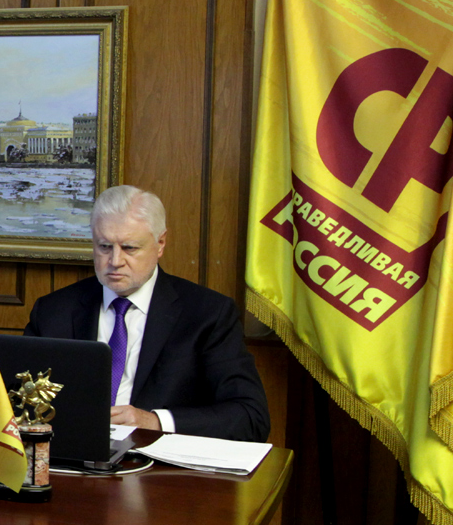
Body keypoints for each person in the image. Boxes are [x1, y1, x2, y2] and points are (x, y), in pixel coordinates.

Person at [23, 185, 269, 442]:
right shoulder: (53, 311)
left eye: (129, 248)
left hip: (157, 459)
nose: (115, 261)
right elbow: (16, 403)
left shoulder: (208, 314)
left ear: (160, 243)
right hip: (70, 454)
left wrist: (155, 421)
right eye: (104, 246)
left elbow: (251, 418)